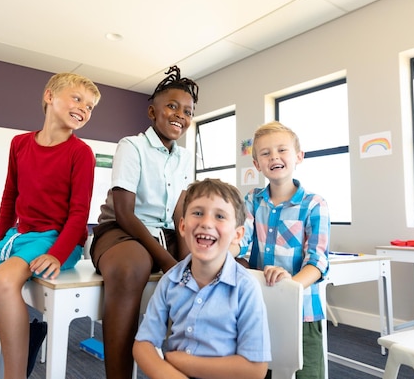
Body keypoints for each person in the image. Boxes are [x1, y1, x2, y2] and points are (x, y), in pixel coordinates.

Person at [0, 72, 101, 379]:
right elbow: (10, 196)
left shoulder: (81, 153)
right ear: (50, 96)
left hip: (55, 239)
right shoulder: (20, 143)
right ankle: (25, 329)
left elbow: (79, 213)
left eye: (90, 107)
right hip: (17, 238)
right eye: (77, 98)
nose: (84, 109)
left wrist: (57, 254)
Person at [89, 65, 198, 379]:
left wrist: (187, 254)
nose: (180, 115)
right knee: (130, 268)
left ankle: (186, 366)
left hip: (164, 232)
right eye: (172, 106)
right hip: (121, 231)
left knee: (208, 267)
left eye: (188, 111)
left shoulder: (183, 157)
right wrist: (167, 261)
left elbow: (180, 211)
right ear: (153, 111)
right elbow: (124, 213)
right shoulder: (131, 146)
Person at [133, 178, 271, 379]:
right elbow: (143, 344)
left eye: (220, 216)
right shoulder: (170, 281)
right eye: (197, 213)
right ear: (182, 226)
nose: (206, 223)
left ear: (237, 234)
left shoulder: (245, 287)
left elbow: (254, 369)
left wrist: (183, 362)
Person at [235, 121, 330, 379]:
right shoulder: (252, 200)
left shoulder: (314, 204)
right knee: (258, 371)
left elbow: (318, 261)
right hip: (258, 308)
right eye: (265, 153)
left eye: (282, 150)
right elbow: (240, 241)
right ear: (256, 164)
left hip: (302, 314)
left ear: (299, 156)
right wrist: (220, 247)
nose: (274, 157)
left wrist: (291, 288)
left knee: (304, 372)